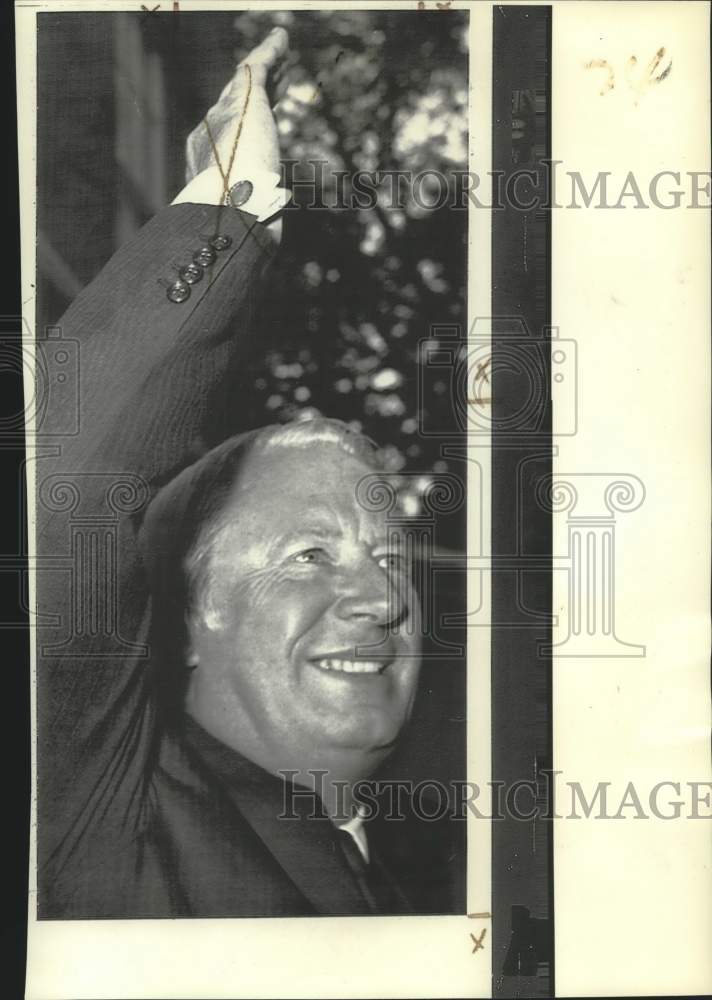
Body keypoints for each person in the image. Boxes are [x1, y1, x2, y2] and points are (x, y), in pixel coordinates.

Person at [36, 27, 464, 918]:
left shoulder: (441, 883)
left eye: (392, 559)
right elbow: (63, 486)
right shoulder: (104, 817)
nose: (383, 600)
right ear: (188, 620)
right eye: (309, 553)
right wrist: (233, 206)